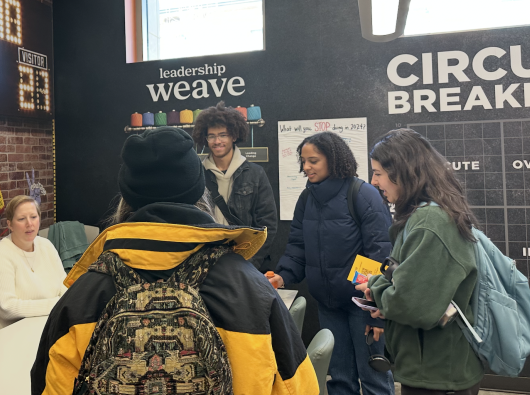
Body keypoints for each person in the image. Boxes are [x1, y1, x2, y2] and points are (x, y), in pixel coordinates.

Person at [31, 127, 318, 395]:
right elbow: (299, 386)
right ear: (197, 191)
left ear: (126, 197)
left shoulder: (82, 296)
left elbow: (46, 385)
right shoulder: (251, 290)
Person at [357, 129, 483, 395]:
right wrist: (383, 292)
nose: (374, 181)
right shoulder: (428, 215)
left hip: (438, 372)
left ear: (402, 172)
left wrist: (379, 292)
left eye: (378, 173)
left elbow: (414, 305)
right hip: (433, 367)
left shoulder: (430, 222)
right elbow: (413, 285)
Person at [268, 132, 394, 395]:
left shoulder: (363, 194)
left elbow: (379, 255)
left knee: (373, 378)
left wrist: (375, 310)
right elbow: (298, 247)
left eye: (313, 160)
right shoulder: (307, 198)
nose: (306, 167)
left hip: (362, 307)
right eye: (303, 161)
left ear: (333, 160)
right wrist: (282, 276)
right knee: (338, 380)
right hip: (328, 305)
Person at [192, 101, 278, 271]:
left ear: (233, 135)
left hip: (246, 262)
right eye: (212, 136)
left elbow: (268, 224)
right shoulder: (197, 175)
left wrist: (249, 264)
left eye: (223, 135)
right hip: (207, 264)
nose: (217, 141)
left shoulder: (255, 173)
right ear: (205, 138)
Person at [0, 195, 67, 340]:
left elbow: (64, 286)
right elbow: (7, 308)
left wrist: (65, 302)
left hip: (41, 330)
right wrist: (57, 305)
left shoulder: (47, 246)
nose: (29, 224)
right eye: (21, 219)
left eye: (33, 217)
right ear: (9, 224)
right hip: (1, 340)